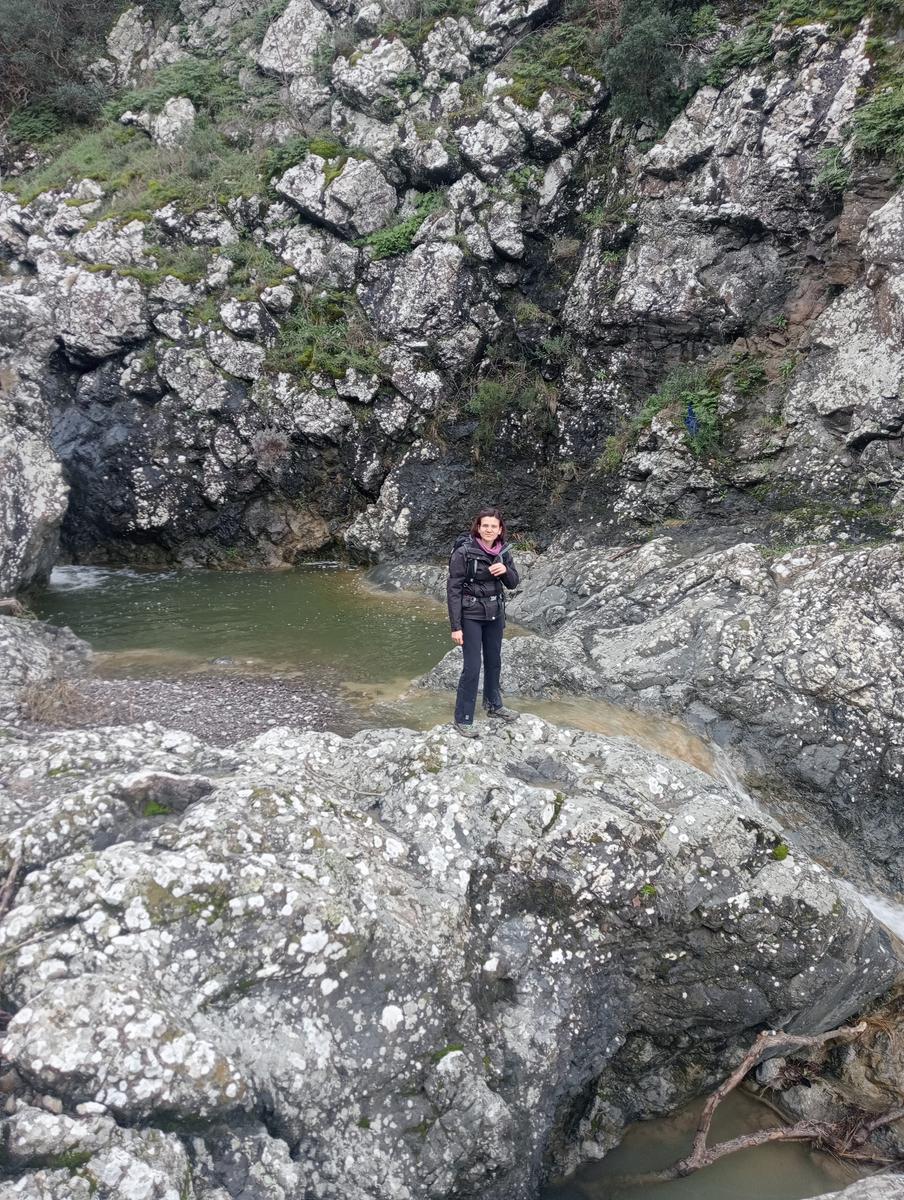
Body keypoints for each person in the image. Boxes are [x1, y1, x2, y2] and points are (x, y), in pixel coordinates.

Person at [446, 507, 521, 737]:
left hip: (495, 614)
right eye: (485, 525)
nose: (489, 529)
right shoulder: (464, 552)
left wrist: (505, 570)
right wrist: (456, 626)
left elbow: (513, 583)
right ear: (478, 527)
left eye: (493, 526)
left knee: (494, 661)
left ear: (500, 530)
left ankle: (493, 705)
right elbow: (454, 589)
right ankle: (463, 718)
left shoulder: (503, 551)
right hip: (471, 615)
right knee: (472, 667)